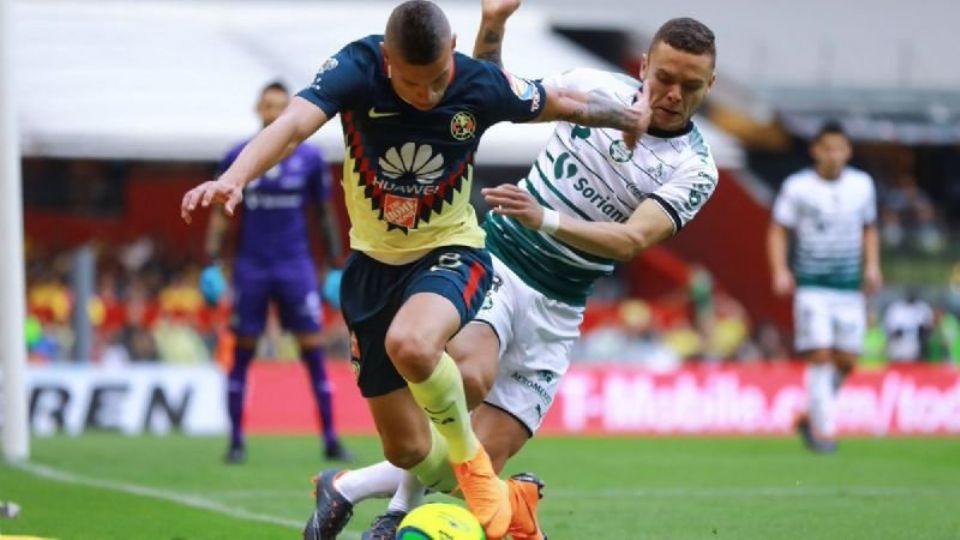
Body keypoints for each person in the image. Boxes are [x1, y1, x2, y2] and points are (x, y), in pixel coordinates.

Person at [180, 2, 649, 538]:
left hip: (449, 251)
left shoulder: (477, 83)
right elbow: (291, 126)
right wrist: (236, 177)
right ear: (387, 58)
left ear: (453, 51)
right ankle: (398, 488)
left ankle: (475, 470)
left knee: (413, 344)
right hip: (371, 269)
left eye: (437, 80)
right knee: (408, 450)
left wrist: (628, 118)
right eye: (411, 83)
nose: (427, 95)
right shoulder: (356, 68)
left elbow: (562, 102)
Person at [308, 4, 720, 538]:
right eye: (664, 78)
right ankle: (397, 514)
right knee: (469, 378)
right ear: (643, 65)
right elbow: (489, 91)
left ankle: (347, 487)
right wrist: (494, 25)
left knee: (467, 471)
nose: (673, 94)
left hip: (561, 307)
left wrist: (544, 217)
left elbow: (633, 239)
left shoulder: (696, 167)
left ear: (710, 85)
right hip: (499, 262)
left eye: (691, 86)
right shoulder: (592, 86)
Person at [201, 81, 351, 464]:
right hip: (251, 267)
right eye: (268, 105)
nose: (274, 112)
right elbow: (220, 215)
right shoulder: (238, 156)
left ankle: (331, 438)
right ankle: (236, 441)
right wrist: (211, 262)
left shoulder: (310, 159)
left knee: (313, 349)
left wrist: (335, 265)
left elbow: (324, 215)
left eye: (281, 106)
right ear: (259, 109)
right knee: (242, 352)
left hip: (295, 266)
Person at [768, 121, 882, 453]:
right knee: (819, 354)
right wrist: (780, 269)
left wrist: (872, 266)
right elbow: (778, 229)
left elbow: (869, 227)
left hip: (849, 286)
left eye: (840, 148)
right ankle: (825, 430)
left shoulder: (862, 185)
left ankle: (811, 413)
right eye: (828, 148)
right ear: (816, 150)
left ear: (848, 151)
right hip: (812, 285)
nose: (834, 155)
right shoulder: (798, 187)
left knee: (846, 360)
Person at [883, 289, 934, 362]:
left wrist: (922, 333)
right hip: (898, 345)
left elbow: (928, 328)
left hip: (917, 346)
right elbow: (890, 330)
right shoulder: (896, 308)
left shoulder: (923, 308)